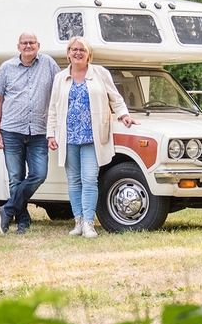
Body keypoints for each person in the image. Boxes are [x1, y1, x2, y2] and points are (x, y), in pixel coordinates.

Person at [46, 37, 137, 238]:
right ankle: (78, 222)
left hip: (93, 137)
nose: (78, 53)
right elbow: (53, 108)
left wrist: (124, 115)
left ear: (89, 54)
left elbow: (116, 98)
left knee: (89, 180)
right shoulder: (60, 77)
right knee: (73, 181)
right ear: (68, 53)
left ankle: (89, 223)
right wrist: (50, 133)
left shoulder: (101, 74)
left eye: (82, 50)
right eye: (74, 49)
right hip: (68, 137)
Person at [0, 32, 60, 234]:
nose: (28, 46)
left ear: (38, 45)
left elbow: (61, 87)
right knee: (16, 178)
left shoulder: (48, 64)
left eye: (31, 43)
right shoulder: (6, 68)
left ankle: (7, 210)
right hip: (11, 130)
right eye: (24, 43)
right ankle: (22, 222)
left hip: (39, 130)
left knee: (39, 174)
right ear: (18, 46)